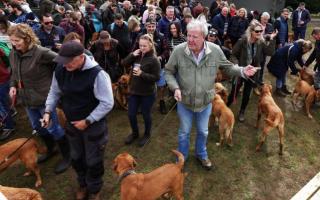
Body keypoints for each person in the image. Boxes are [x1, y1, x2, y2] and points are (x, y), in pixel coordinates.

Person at [165, 20, 258, 170]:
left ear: (204, 37)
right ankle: (182, 157)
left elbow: (228, 68)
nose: (190, 40)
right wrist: (175, 87)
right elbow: (168, 72)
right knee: (184, 133)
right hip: (185, 102)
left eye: (194, 37)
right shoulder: (178, 51)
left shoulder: (215, 51)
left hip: (205, 103)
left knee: (203, 131)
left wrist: (241, 71)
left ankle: (201, 154)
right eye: (188, 35)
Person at [43, 41, 113, 200]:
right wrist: (47, 111)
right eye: (62, 61)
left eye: (68, 61)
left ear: (81, 57)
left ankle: (94, 190)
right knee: (76, 157)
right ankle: (83, 184)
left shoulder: (97, 74)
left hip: (93, 126)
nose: (64, 65)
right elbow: (54, 92)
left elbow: (107, 102)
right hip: (72, 124)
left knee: (93, 160)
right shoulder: (61, 69)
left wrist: (88, 121)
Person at [8, 24, 70, 174]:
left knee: (54, 128)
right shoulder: (13, 53)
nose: (14, 43)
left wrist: (58, 83)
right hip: (27, 100)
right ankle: (51, 149)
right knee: (37, 127)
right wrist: (13, 85)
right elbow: (14, 72)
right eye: (12, 40)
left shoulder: (41, 52)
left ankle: (68, 156)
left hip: (44, 99)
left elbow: (65, 62)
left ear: (27, 38)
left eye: (17, 40)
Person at [226, 20, 277, 122]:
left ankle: (242, 111)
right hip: (241, 71)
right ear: (251, 31)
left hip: (253, 72)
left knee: (247, 93)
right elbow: (233, 54)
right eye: (257, 31)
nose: (259, 33)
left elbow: (270, 52)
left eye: (261, 31)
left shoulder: (261, 42)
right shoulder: (243, 41)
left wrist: (271, 39)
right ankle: (226, 106)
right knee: (234, 92)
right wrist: (237, 66)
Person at [122, 34, 160, 147]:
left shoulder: (154, 60)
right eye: (140, 45)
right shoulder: (137, 55)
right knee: (131, 114)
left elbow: (156, 78)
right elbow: (124, 63)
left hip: (147, 93)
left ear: (150, 45)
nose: (142, 48)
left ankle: (147, 134)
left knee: (145, 114)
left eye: (144, 46)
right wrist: (132, 55)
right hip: (134, 91)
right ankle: (135, 133)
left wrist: (142, 74)